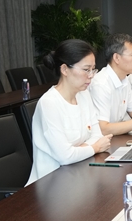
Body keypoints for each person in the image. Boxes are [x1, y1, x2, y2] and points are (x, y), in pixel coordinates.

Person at [27, 39, 112, 185]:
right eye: (86, 69)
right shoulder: (49, 103)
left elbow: (97, 135)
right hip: (51, 182)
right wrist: (95, 148)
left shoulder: (84, 94)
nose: (91, 75)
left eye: (93, 69)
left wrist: (76, 151)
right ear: (65, 69)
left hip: (79, 173)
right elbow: (65, 157)